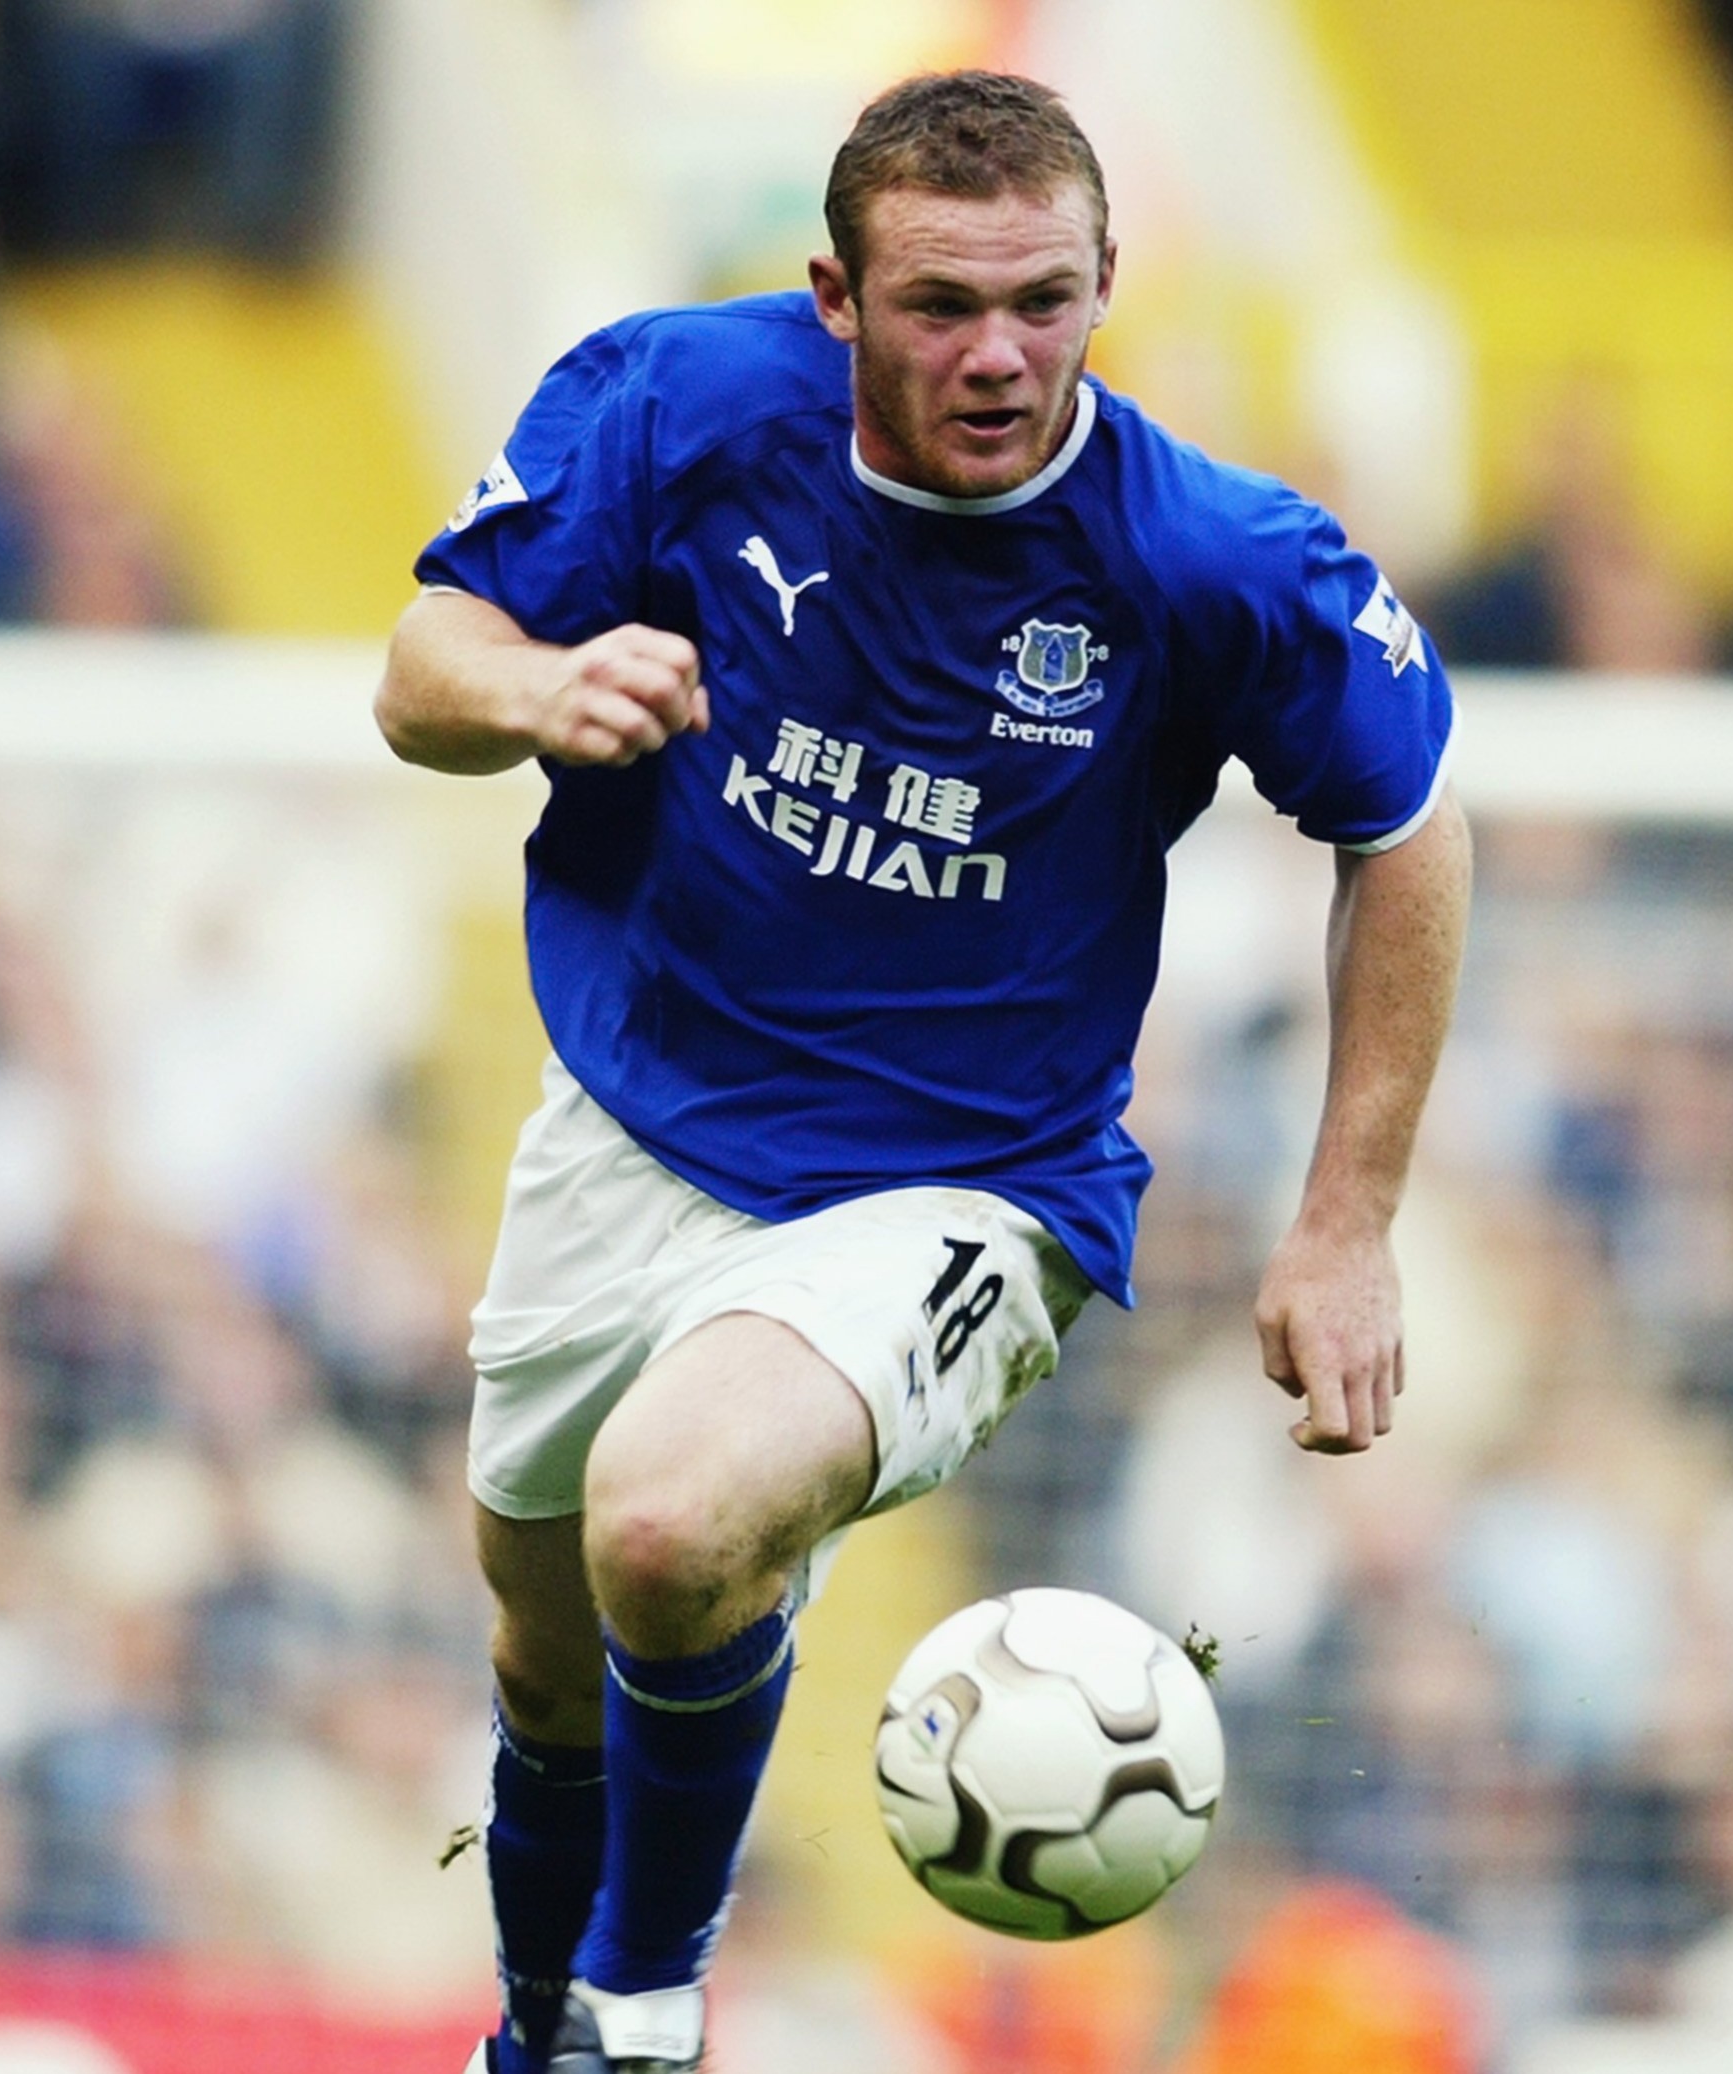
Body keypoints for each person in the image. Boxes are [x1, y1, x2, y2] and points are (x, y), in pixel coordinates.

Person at [374, 69, 1471, 2074]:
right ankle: (538, 2027)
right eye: (943, 304)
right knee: (543, 1655)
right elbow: (419, 669)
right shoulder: (674, 406)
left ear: (1105, 282)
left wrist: (1348, 1221)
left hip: (962, 1181)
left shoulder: (1203, 554)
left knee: (666, 1522)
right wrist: (541, 680)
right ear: (836, 296)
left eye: (1045, 302)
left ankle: (644, 2000)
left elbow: (1405, 825)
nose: (999, 355)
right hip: (631, 1117)